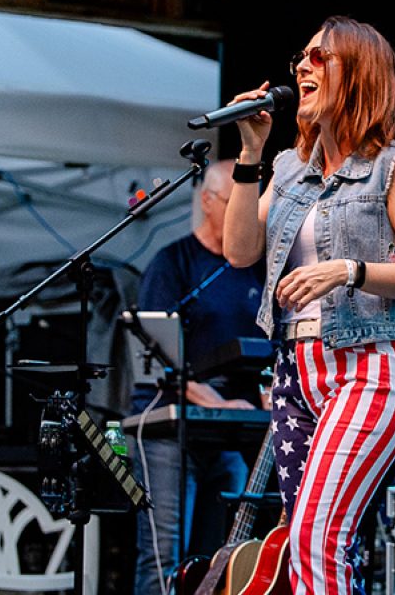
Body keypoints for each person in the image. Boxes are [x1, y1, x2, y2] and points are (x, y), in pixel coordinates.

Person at [223, 15, 395, 594]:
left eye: (320, 58)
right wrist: (250, 153)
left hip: (367, 368)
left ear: (360, 74)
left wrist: (350, 270)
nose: (301, 67)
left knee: (314, 537)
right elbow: (238, 250)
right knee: (302, 546)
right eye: (301, 57)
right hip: (295, 373)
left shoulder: (393, 166)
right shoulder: (289, 170)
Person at [131, 159, 265, 595]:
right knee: (163, 557)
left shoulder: (255, 268)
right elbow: (154, 355)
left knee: (223, 558)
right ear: (208, 202)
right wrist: (216, 403)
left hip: (228, 435)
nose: (247, 210)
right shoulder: (173, 264)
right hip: (170, 432)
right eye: (236, 199)